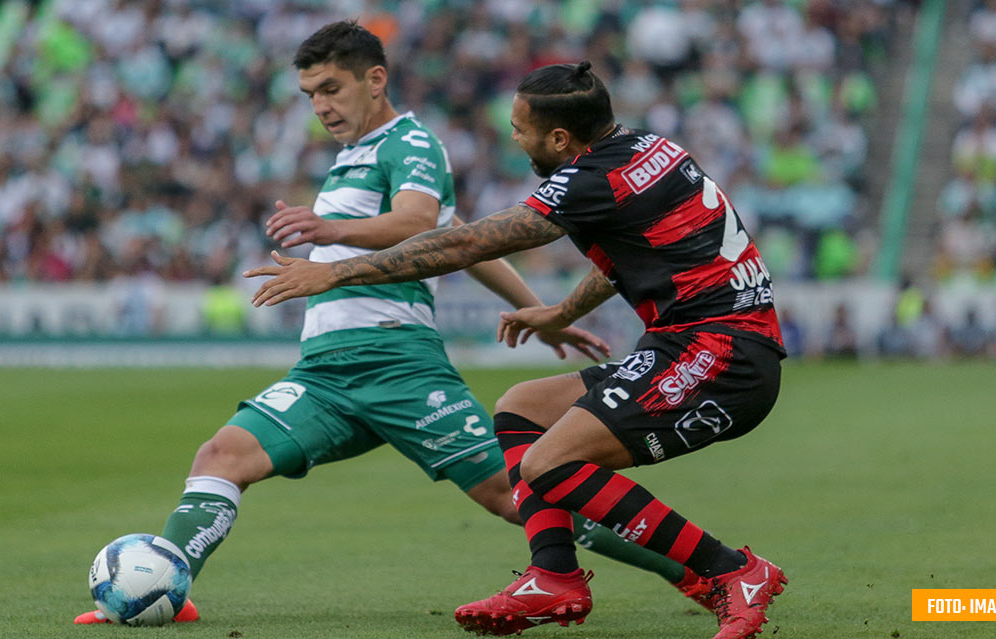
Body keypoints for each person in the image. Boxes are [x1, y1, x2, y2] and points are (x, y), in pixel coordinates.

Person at [76, 24, 702, 625]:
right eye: (310, 94)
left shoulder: (410, 142)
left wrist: (331, 232)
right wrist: (547, 314)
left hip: (397, 363)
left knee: (518, 495)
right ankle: (166, 588)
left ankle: (694, 571)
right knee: (222, 455)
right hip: (324, 372)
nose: (320, 105)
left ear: (375, 79)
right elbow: (460, 238)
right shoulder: (353, 157)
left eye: (331, 88)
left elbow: (421, 223)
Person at [245, 61, 789, 638]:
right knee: (521, 407)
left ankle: (733, 570)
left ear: (559, 138)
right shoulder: (647, 149)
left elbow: (471, 242)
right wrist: (559, 314)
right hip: (697, 344)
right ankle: (553, 577)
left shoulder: (588, 179)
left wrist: (336, 274)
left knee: (548, 465)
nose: (513, 137)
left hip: (720, 356)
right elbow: (631, 255)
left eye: (519, 128)